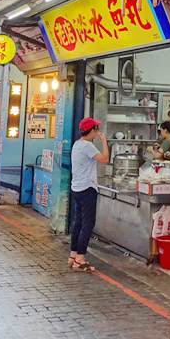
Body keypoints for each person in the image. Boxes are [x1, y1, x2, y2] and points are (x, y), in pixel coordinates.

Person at [68, 117, 108, 273]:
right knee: (87, 224)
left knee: (78, 222)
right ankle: (80, 258)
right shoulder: (87, 146)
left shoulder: (77, 144)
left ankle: (72, 255)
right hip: (87, 189)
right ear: (91, 131)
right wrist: (104, 142)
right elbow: (104, 159)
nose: (97, 132)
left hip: (77, 188)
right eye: (96, 129)